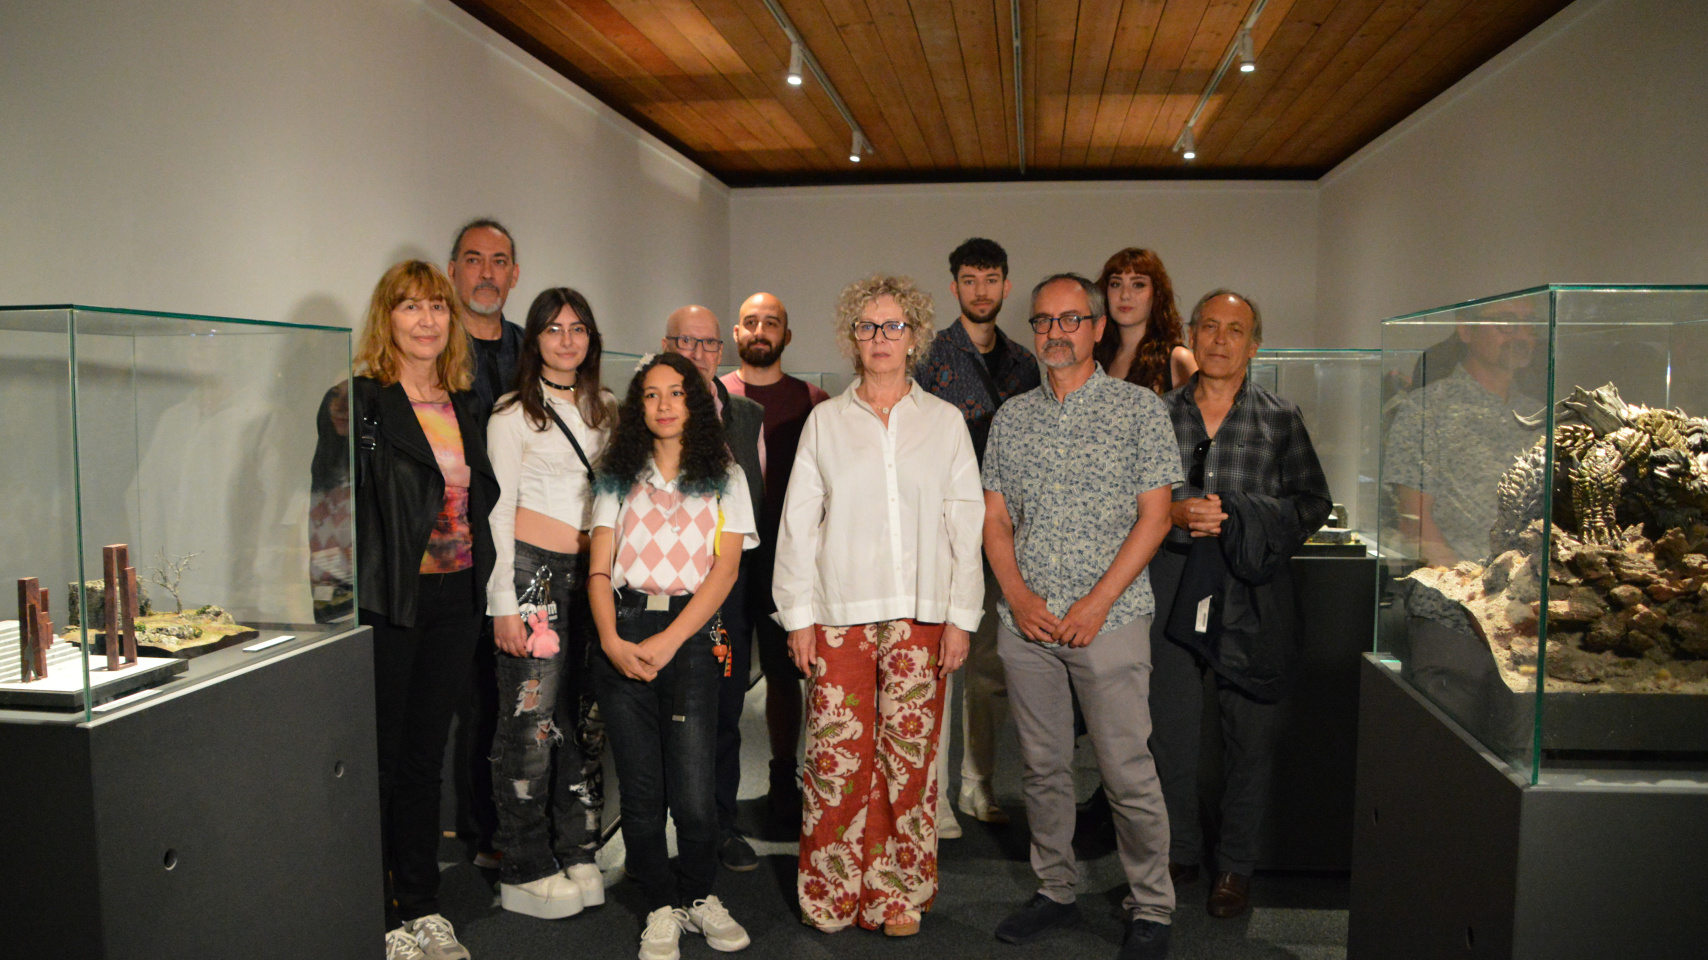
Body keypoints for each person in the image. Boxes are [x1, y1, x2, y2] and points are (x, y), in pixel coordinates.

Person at [775, 274, 984, 936]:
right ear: (853, 337)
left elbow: (966, 526)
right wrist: (797, 618)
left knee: (908, 764)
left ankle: (896, 895)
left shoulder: (945, 423)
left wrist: (962, 618)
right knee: (835, 760)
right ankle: (831, 892)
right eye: (868, 326)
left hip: (923, 614)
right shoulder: (825, 422)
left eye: (894, 326)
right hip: (839, 613)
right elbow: (797, 525)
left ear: (914, 336)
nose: (881, 338)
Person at [984, 273, 1179, 960]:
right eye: (1043, 320)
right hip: (1028, 626)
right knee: (1041, 768)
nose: (1055, 332)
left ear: (1097, 328)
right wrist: (1017, 597)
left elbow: (1156, 517)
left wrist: (1097, 603)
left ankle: (1152, 905)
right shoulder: (1012, 418)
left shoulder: (1139, 410)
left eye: (1071, 319)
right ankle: (1054, 887)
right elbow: (996, 519)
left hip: (1112, 619)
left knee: (1126, 772)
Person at [1148, 290, 1332, 920]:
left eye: (1235, 330)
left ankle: (1236, 867)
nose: (1220, 340)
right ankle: (1177, 851)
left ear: (1255, 345)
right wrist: (1174, 512)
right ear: (1191, 335)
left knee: (1248, 730)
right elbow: (1125, 498)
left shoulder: (1280, 418)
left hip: (1250, 585)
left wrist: (1246, 520)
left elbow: (1313, 503)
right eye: (1209, 327)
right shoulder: (1157, 413)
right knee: (1169, 727)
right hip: (1172, 576)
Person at [587, 352, 757, 960]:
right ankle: (660, 905)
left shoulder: (726, 475)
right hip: (624, 630)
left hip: (691, 636)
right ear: (639, 405)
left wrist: (671, 640)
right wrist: (612, 641)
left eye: (677, 393)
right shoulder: (616, 473)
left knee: (692, 791)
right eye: (652, 394)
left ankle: (699, 895)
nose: (664, 405)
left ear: (696, 403)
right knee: (640, 792)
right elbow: (599, 568)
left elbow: (725, 571)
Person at [350, 260, 498, 960]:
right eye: (410, 306)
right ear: (388, 318)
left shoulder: (464, 402)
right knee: (381, 761)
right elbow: (331, 513)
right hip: (390, 602)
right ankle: (377, 915)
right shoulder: (360, 402)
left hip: (456, 597)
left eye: (437, 306)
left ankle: (420, 904)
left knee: (424, 759)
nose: (427, 320)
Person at [484, 288, 614, 919]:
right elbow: (497, 510)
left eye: (578, 327)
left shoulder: (608, 408)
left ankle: (578, 848)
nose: (567, 339)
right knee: (530, 724)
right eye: (554, 328)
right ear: (533, 338)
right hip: (532, 575)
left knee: (583, 719)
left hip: (593, 577)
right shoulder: (513, 413)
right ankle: (524, 862)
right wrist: (502, 601)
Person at [917, 237, 1040, 834]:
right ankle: (931, 794)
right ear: (955, 287)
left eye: (991, 279)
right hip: (940, 525)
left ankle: (977, 783)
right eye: (970, 280)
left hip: (1003, 527)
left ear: (1006, 285)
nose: (981, 290)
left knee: (989, 667)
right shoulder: (928, 356)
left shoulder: (1024, 362)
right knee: (936, 663)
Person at [661, 305, 767, 871]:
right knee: (664, 712)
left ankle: (721, 827)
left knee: (725, 711)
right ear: (667, 345)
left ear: (721, 352)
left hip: (730, 585)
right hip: (662, 583)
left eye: (707, 344)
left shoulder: (746, 415)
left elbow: (758, 499)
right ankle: (656, 835)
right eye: (686, 342)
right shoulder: (645, 409)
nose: (697, 354)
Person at [719, 291, 829, 829]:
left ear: (787, 335)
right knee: (722, 676)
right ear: (736, 334)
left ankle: (784, 778)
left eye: (771, 323)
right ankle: (716, 791)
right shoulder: (714, 396)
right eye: (750, 322)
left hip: (788, 559)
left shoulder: (814, 401)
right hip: (724, 560)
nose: (760, 330)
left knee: (786, 674)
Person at [447, 217, 524, 871]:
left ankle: (525, 825)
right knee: (473, 700)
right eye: (474, 259)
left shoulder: (533, 351)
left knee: (523, 696)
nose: (487, 273)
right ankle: (481, 832)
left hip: (531, 549)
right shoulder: (432, 349)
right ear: (454, 271)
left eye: (499, 261)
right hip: (457, 552)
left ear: (515, 274)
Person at [1386, 314, 1542, 566]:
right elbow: (1414, 518)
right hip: (1454, 583)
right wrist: (1464, 582)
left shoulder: (1539, 415)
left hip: (1526, 582)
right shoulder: (1426, 408)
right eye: (1507, 323)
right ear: (1466, 330)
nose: (1523, 335)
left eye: (1531, 325)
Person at [1093, 247, 1196, 394]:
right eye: (1116, 284)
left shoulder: (1177, 359)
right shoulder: (1096, 357)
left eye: (1138, 285)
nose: (1125, 295)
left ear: (1157, 293)